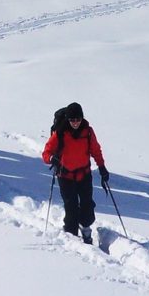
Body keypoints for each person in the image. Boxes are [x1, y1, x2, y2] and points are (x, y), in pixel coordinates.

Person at [42, 102, 109, 243]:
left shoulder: (88, 132)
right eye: (72, 120)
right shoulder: (60, 133)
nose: (75, 123)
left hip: (84, 175)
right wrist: (51, 158)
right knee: (71, 208)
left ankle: (85, 230)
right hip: (65, 176)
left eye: (78, 119)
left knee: (87, 206)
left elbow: (96, 151)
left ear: (82, 118)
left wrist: (102, 168)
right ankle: (72, 239)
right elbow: (46, 152)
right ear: (67, 119)